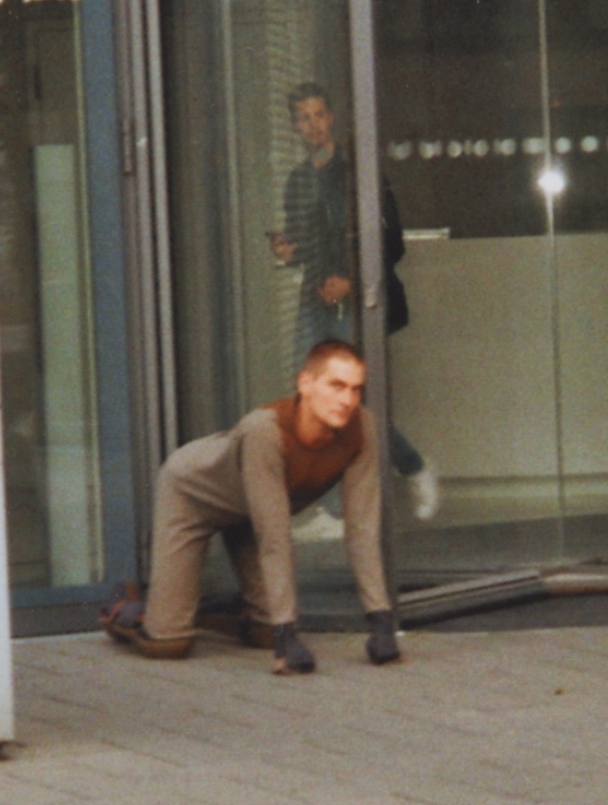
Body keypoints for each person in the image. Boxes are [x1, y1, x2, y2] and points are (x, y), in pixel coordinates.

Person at [101, 340, 400, 673]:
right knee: (168, 642)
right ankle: (126, 604)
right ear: (305, 383)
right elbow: (275, 539)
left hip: (250, 509)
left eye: (356, 389)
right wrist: (288, 641)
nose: (347, 400)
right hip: (192, 495)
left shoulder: (361, 429)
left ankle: (212, 607)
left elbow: (361, 529)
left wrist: (382, 624)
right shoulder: (266, 432)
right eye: (336, 386)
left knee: (264, 631)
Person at [270, 82, 439, 522]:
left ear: (333, 118)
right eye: (304, 118)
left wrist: (350, 280)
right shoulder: (297, 180)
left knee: (351, 406)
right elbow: (308, 247)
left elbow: (392, 241)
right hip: (314, 301)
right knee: (311, 402)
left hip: (355, 301)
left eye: (319, 115)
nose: (313, 125)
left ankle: (412, 467)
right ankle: (331, 510)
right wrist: (289, 252)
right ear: (294, 126)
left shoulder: (358, 172)